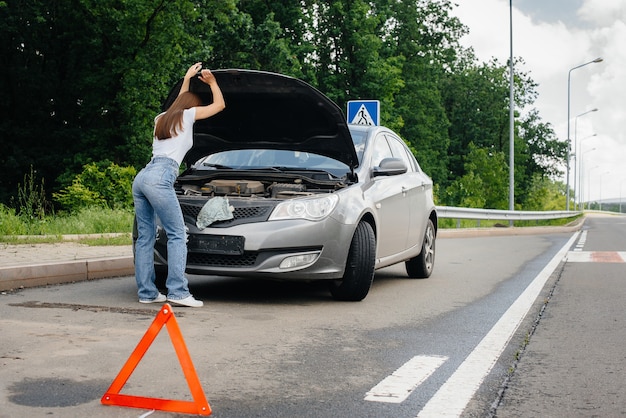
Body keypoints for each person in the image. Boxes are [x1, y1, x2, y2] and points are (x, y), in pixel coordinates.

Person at [132, 62, 225, 307]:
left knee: (145, 237)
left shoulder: (160, 119)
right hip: (161, 177)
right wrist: (213, 83)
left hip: (143, 176)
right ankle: (177, 292)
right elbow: (219, 105)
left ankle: (147, 293)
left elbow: (177, 103)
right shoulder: (188, 114)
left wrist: (186, 78)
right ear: (191, 105)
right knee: (177, 234)